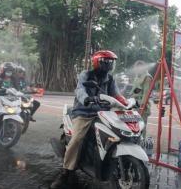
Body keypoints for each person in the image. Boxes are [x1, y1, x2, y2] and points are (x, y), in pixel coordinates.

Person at [50, 50, 129, 189]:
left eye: (111, 62)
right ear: (98, 62)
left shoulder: (110, 79)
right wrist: (86, 99)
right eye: (106, 62)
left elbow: (116, 94)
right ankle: (66, 172)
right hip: (84, 113)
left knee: (116, 133)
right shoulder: (86, 75)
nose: (109, 65)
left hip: (103, 113)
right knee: (77, 140)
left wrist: (127, 103)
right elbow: (80, 90)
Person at [131, 60, 153, 138]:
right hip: (134, 104)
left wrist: (142, 106)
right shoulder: (138, 77)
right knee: (134, 126)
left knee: (141, 126)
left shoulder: (147, 77)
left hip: (142, 106)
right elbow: (134, 91)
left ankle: (142, 144)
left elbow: (146, 94)